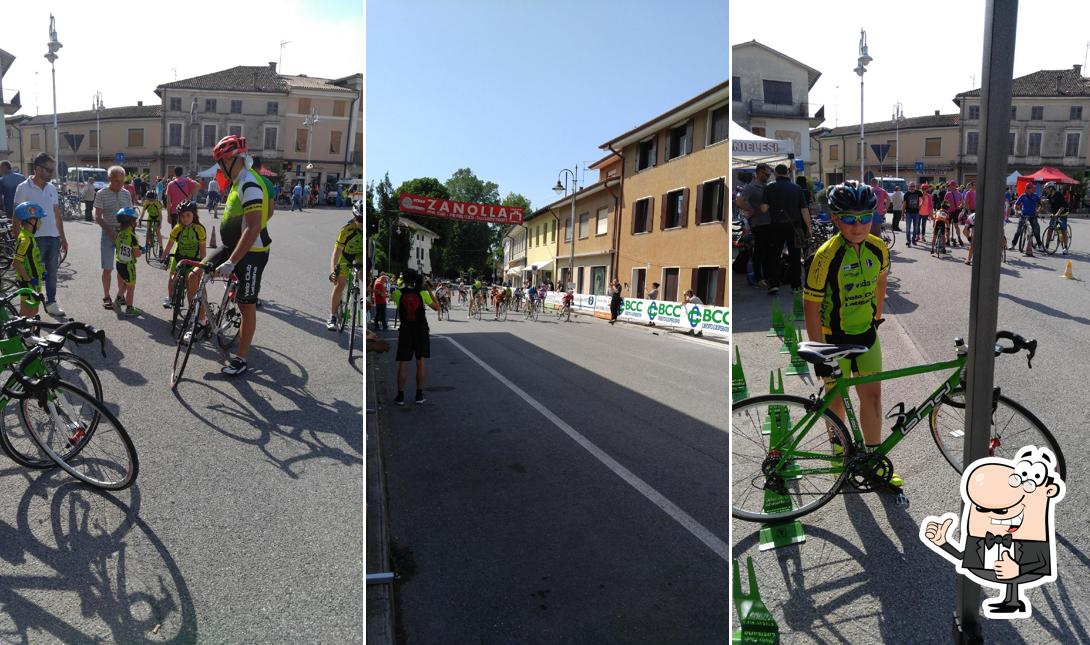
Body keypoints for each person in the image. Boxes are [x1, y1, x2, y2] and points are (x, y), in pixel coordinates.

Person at [803, 181, 898, 485]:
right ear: (835, 219)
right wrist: (818, 351)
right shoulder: (825, 255)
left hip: (866, 335)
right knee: (836, 399)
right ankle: (840, 453)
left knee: (872, 397)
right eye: (849, 219)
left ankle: (872, 459)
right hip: (834, 339)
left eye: (864, 218)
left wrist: (877, 317)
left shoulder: (878, 247)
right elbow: (811, 305)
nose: (858, 226)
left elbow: (881, 282)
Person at [202, 134, 273, 376]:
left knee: (246, 306)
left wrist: (232, 262)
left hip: (252, 254)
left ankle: (241, 359)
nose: (220, 167)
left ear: (234, 159)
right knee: (195, 272)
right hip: (232, 247)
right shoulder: (236, 181)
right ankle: (203, 322)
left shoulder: (250, 183)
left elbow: (254, 227)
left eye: (222, 161)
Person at [13, 153, 68, 318]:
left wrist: (63, 237)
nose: (52, 173)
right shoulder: (23, 187)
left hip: (53, 237)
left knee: (52, 272)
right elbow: (16, 216)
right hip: (34, 239)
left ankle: (51, 303)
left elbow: (57, 214)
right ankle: (28, 311)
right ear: (38, 168)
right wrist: (19, 239)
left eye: (53, 170)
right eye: (49, 170)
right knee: (31, 274)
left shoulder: (51, 188)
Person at [760, 164, 811, 294]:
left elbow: (764, 209)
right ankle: (796, 285)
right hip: (795, 225)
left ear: (776, 173)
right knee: (795, 256)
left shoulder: (769, 187)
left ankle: (774, 284)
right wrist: (809, 228)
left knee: (775, 255)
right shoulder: (797, 188)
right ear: (787, 173)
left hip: (776, 225)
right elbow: (804, 210)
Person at [390, 268, 439, 405]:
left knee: (403, 363)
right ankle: (419, 395)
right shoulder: (422, 293)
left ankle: (400, 396)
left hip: (405, 330)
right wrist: (429, 290)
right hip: (421, 330)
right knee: (420, 362)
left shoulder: (398, 293)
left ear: (404, 279)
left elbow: (394, 297)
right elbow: (437, 307)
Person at [93, 165, 134, 310]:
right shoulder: (101, 193)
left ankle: (120, 295)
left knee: (122, 268)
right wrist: (110, 232)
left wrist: (131, 233)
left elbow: (130, 215)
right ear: (109, 179)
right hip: (108, 234)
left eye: (122, 181)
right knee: (108, 268)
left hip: (124, 235)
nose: (120, 184)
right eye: (117, 181)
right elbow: (97, 217)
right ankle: (106, 296)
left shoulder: (126, 194)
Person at [160, 200, 207, 311]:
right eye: (182, 216)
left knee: (191, 287)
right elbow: (169, 245)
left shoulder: (199, 229)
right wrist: (163, 257)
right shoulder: (177, 228)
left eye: (188, 215)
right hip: (179, 257)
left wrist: (203, 265)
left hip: (194, 259)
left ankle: (192, 311)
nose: (185, 218)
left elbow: (203, 251)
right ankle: (170, 298)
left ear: (194, 215)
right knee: (172, 279)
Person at [327, 200, 364, 330]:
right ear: (355, 217)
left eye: (365, 219)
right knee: (340, 284)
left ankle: (363, 298)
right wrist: (333, 271)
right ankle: (332, 316)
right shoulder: (346, 230)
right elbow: (336, 253)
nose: (362, 223)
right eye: (359, 219)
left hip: (360, 255)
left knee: (362, 273)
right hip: (345, 256)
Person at [736, 163, 772, 288]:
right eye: (766, 174)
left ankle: (766, 277)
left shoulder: (764, 186)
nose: (768, 176)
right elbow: (739, 201)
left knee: (767, 252)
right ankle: (758, 278)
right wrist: (750, 210)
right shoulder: (751, 187)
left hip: (767, 223)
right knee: (759, 252)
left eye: (769, 174)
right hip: (759, 223)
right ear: (758, 173)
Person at [11, 201, 45, 317]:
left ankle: (28, 331)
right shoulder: (25, 239)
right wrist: (28, 279)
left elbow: (33, 258)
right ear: (32, 221)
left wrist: (42, 272)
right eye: (39, 219)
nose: (41, 222)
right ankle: (22, 333)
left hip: (34, 279)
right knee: (27, 311)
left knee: (34, 310)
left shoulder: (29, 236)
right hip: (29, 282)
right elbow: (16, 263)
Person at [113, 207, 143, 316]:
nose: (135, 222)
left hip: (119, 263)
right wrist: (141, 251)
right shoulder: (132, 236)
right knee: (131, 287)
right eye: (134, 220)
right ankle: (129, 309)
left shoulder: (119, 234)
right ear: (131, 221)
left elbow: (118, 247)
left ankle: (117, 300)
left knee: (125, 283)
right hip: (129, 265)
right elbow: (136, 254)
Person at [1014, 183, 1042, 257]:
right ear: (1027, 189)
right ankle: (1013, 244)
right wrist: (1016, 211)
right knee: (1018, 231)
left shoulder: (1035, 196)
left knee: (1036, 230)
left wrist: (1038, 210)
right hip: (1023, 215)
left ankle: (1040, 245)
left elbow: (1040, 204)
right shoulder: (1023, 196)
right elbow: (1016, 204)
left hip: (1033, 215)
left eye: (1031, 188)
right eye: (1029, 188)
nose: (1030, 190)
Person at [1044, 182, 1069, 255]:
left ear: (1051, 188)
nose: (1046, 190)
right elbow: (1046, 201)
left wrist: (1058, 214)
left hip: (1063, 214)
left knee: (1063, 230)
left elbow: (1062, 206)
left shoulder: (1058, 195)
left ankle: (1065, 248)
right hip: (1055, 215)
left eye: (1047, 189)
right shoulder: (1049, 195)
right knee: (1050, 229)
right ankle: (1046, 246)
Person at [943, 180, 965, 247]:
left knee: (949, 226)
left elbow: (944, 203)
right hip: (955, 211)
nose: (950, 187)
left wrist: (944, 210)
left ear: (952, 186)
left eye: (951, 185)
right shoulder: (958, 193)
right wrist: (960, 206)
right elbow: (962, 202)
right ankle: (957, 238)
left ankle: (948, 240)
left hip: (950, 212)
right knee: (955, 226)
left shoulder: (949, 193)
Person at [903, 182, 924, 247]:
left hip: (916, 213)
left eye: (913, 186)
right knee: (908, 228)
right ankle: (908, 241)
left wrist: (920, 205)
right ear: (908, 187)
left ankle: (913, 240)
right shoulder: (906, 194)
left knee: (916, 228)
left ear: (915, 187)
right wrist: (902, 214)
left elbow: (923, 199)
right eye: (911, 186)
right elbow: (904, 204)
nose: (912, 188)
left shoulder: (918, 192)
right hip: (908, 213)